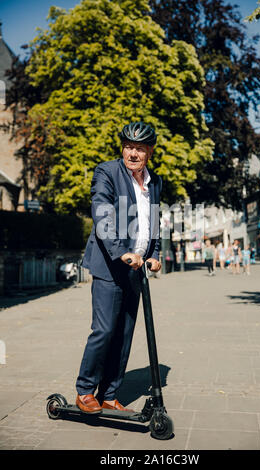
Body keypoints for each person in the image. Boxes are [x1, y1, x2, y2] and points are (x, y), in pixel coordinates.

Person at [75, 121, 162, 413]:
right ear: (122, 147)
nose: (133, 153)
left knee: (125, 332)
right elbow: (102, 213)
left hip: (137, 270)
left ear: (149, 151)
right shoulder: (107, 172)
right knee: (104, 330)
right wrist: (121, 251)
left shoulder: (155, 182)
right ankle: (85, 391)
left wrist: (156, 252)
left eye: (139, 148)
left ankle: (110, 395)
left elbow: (154, 221)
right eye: (128, 146)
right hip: (111, 265)